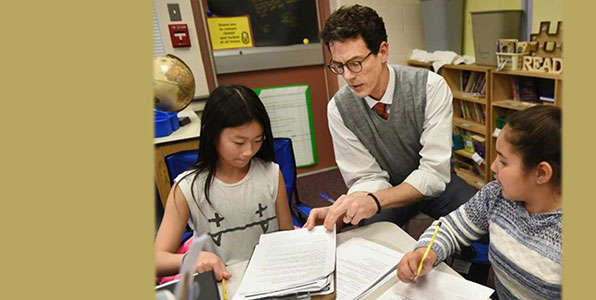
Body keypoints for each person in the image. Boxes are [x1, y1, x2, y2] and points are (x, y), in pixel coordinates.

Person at [303, 4, 477, 231]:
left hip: (437, 184)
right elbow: (366, 177)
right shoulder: (338, 108)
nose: (348, 76)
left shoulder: (429, 87)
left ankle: (464, 266)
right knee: (365, 234)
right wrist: (350, 206)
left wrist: (374, 201)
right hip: (384, 189)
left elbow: (433, 174)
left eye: (356, 63)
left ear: (383, 51)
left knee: (481, 223)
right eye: (339, 65)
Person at [397, 105, 562, 299]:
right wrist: (426, 252)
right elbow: (451, 227)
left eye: (503, 161)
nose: (493, 166)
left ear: (541, 173)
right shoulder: (496, 195)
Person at [155, 84, 294, 281]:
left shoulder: (271, 173)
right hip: (223, 284)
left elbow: (286, 236)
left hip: (270, 279)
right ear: (212, 134)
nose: (248, 151)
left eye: (257, 140)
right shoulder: (187, 188)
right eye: (239, 142)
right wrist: (190, 259)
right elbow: (157, 260)